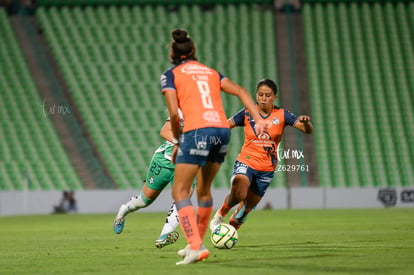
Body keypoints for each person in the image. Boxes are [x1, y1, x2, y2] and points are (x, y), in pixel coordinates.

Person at [161, 28, 267, 265]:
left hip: (197, 130)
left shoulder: (170, 75)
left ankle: (196, 246)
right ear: (193, 51)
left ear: (172, 52)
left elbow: (174, 115)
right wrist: (258, 119)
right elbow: (240, 91)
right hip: (220, 131)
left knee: (179, 191)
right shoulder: (210, 72)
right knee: (204, 191)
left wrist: (178, 141)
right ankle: (194, 244)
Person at [210, 78, 313, 231]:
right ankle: (220, 213)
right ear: (256, 96)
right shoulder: (246, 113)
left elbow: (307, 130)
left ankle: (229, 233)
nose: (264, 99)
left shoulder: (282, 114)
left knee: (244, 210)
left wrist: (305, 123)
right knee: (238, 193)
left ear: (275, 97)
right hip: (246, 161)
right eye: (260, 95)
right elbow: (226, 124)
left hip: (267, 168)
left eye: (268, 95)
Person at [113, 113, 194, 249]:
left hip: (187, 164)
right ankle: (123, 210)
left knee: (183, 198)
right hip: (165, 161)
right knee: (145, 200)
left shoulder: (208, 115)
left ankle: (164, 235)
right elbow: (164, 130)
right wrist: (179, 143)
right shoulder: (182, 109)